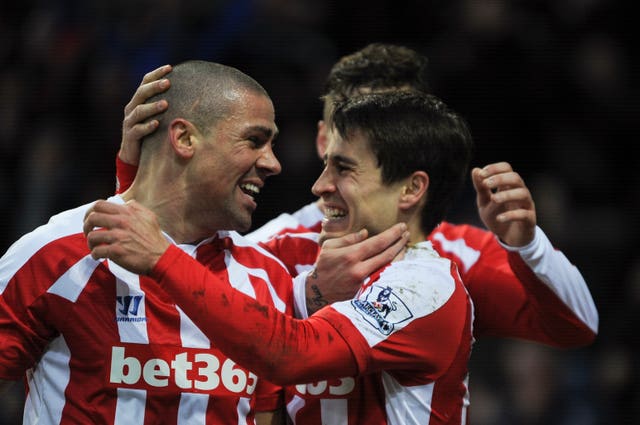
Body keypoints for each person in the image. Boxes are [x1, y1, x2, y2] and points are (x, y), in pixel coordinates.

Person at [0, 60, 408, 425]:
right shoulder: (55, 254)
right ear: (185, 139)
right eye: (254, 140)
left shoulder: (266, 277)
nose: (273, 162)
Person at [85, 90, 476, 424]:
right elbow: (206, 279)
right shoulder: (293, 252)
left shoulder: (425, 287)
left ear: (411, 189)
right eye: (326, 165)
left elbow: (291, 354)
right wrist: (142, 179)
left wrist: (160, 255)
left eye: (344, 169)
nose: (320, 185)